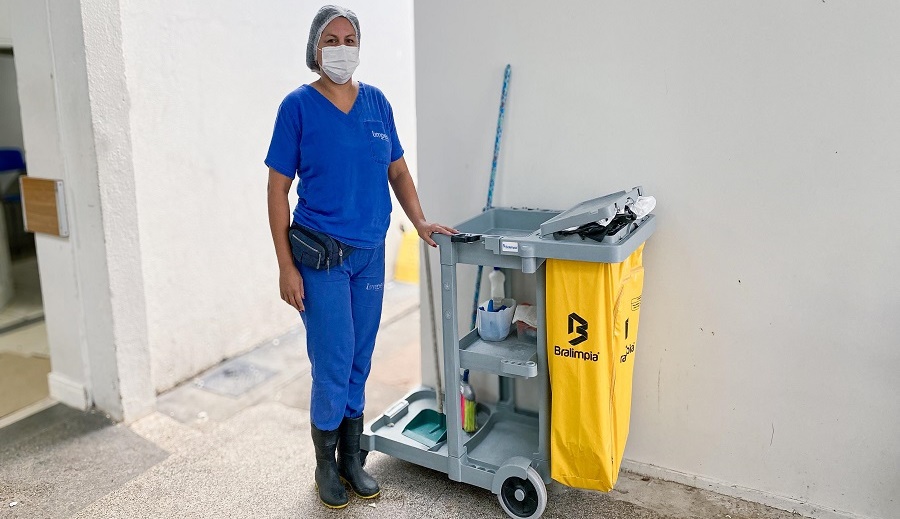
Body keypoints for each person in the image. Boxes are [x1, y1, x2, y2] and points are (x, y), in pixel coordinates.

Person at [264, 5, 457, 510]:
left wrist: (420, 221)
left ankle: (351, 458)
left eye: (349, 39)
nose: (341, 49)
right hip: (322, 258)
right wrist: (285, 265)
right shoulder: (297, 107)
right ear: (315, 48)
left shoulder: (376, 104)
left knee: (360, 359)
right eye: (331, 40)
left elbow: (398, 172)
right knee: (332, 363)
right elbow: (277, 190)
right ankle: (324, 466)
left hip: (370, 254)